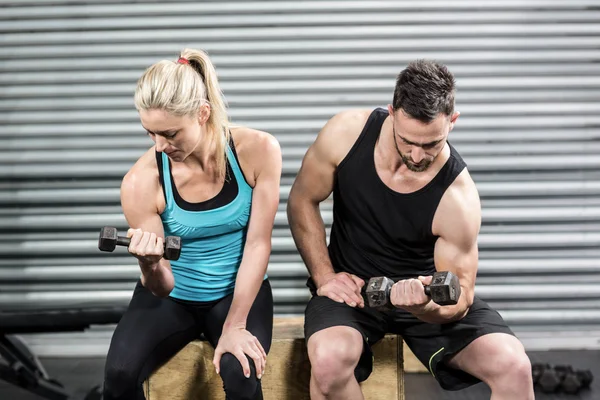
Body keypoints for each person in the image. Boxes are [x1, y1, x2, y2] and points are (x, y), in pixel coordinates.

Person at [287, 60, 534, 400]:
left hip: (423, 299)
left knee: (514, 366)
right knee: (328, 364)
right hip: (353, 292)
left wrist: (421, 306)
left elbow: (460, 297)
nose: (417, 155)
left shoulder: (457, 196)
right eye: (406, 141)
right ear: (391, 113)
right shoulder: (346, 135)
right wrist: (325, 276)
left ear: (453, 121)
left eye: (431, 144)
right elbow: (302, 200)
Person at [103, 48, 282, 400]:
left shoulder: (257, 151)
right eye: (150, 133)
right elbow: (161, 287)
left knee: (241, 370)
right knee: (119, 376)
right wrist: (149, 261)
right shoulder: (141, 182)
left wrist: (235, 326)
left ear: (203, 114)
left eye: (170, 133)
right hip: (173, 298)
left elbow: (258, 243)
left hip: (237, 292)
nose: (159, 145)